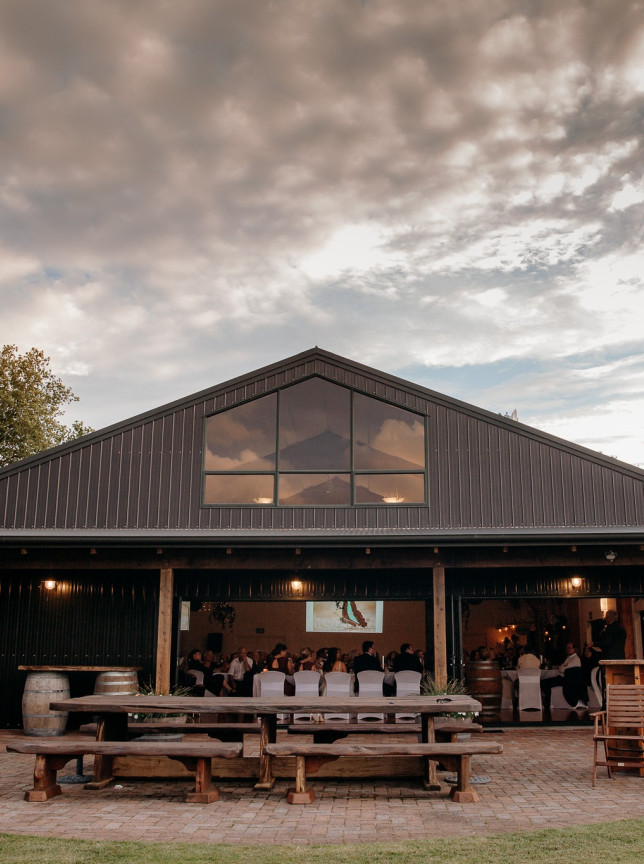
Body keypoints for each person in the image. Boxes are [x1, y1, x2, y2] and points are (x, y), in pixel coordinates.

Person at [540, 642, 581, 709]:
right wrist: (562, 667)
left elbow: (562, 669)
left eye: (569, 648)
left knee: (545, 683)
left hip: (567, 680)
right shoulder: (569, 658)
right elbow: (561, 668)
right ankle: (549, 700)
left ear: (574, 649)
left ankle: (548, 702)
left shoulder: (575, 659)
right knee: (543, 682)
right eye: (567, 648)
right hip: (562, 678)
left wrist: (562, 667)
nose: (567, 649)